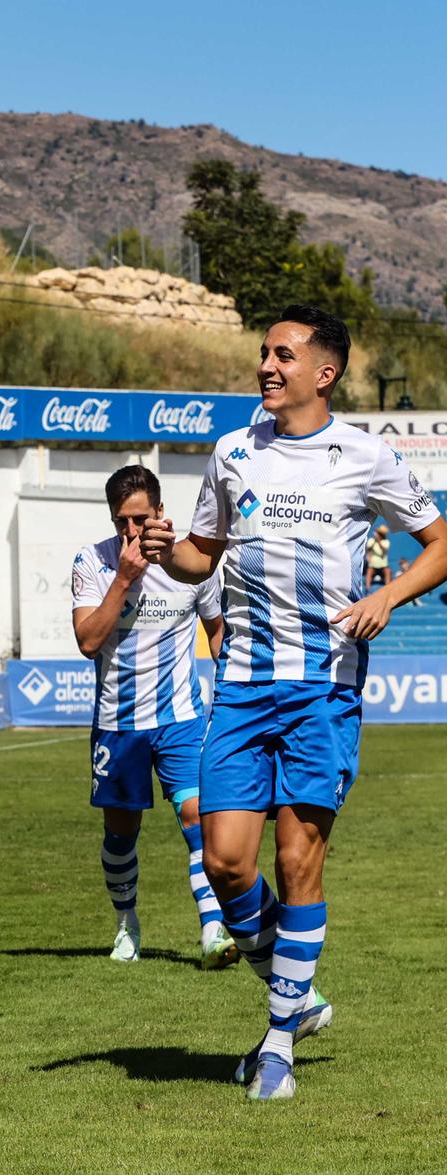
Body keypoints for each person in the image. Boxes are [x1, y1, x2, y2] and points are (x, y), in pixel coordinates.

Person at [141, 304, 447, 1100]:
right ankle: (297, 993)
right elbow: (199, 556)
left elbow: (440, 544)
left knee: (296, 858)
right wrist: (162, 548)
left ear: (325, 372)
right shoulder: (233, 451)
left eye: (283, 355)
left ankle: (277, 1046)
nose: (266, 367)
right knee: (224, 860)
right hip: (240, 685)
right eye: (263, 354)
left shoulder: (365, 455)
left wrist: (389, 594)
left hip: (323, 685)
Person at [72, 465, 233, 967]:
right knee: (121, 832)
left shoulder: (193, 564)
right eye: (122, 521)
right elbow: (88, 641)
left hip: (181, 719)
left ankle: (213, 929)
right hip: (118, 724)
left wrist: (229, 696)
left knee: (197, 819)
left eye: (140, 518)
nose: (131, 531)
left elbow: (218, 633)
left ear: (161, 512)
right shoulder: (92, 563)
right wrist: (123, 578)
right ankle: (126, 924)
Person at [365, 523, 390, 588]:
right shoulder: (371, 540)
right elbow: (368, 549)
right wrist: (374, 541)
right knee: (369, 573)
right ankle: (367, 589)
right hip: (373, 564)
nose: (377, 534)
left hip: (383, 565)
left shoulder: (386, 542)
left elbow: (384, 551)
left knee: (387, 572)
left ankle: (387, 588)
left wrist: (378, 541)